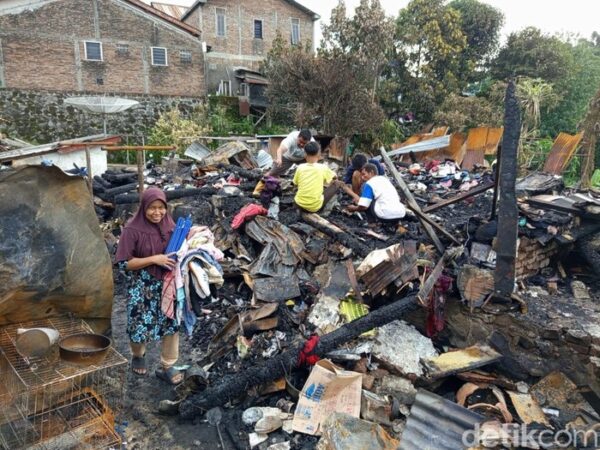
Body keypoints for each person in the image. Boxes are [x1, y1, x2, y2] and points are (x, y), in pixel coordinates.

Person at [115, 187, 183, 385]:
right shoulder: (132, 230)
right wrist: (155, 259)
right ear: (143, 207)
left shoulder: (172, 227)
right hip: (142, 285)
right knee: (138, 325)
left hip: (167, 283)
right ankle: (138, 355)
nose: (157, 213)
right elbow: (124, 263)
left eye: (161, 208)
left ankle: (168, 365)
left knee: (171, 323)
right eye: (152, 208)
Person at [253, 129, 313, 196]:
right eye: (300, 141)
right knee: (272, 172)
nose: (301, 144)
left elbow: (315, 155)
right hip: (287, 157)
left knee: (310, 172)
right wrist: (279, 159)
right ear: (298, 137)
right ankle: (257, 191)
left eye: (304, 143)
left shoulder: (312, 143)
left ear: (309, 141)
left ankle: (306, 192)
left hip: (303, 158)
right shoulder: (291, 138)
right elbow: (280, 149)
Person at [342, 163, 406, 225]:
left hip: (385, 215)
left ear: (371, 172)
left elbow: (364, 206)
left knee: (367, 201)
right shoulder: (385, 179)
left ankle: (372, 223)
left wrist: (353, 208)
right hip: (400, 214)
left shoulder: (369, 183)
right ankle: (395, 224)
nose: (362, 177)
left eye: (364, 174)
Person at [293, 141, 340, 214]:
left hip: (298, 204)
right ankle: (325, 210)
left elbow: (295, 184)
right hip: (314, 207)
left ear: (305, 154)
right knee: (337, 184)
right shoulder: (323, 168)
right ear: (319, 154)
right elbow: (335, 177)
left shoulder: (300, 167)